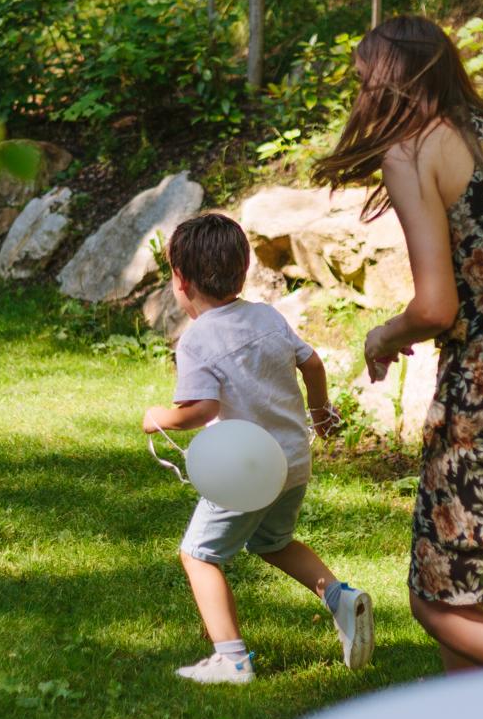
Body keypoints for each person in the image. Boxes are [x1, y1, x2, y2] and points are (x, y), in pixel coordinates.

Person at [312, 15, 483, 673]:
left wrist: (383, 336)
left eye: (363, 81)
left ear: (394, 81)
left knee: (436, 604)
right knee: (456, 588)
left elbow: (436, 306)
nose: (359, 96)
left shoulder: (413, 150)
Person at [142, 212, 374, 684]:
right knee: (273, 542)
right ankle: (341, 598)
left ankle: (232, 660)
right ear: (243, 270)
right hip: (293, 460)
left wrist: (158, 418)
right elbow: (312, 364)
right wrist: (321, 414)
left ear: (181, 280)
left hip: (247, 472)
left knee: (199, 555)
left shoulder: (197, 339)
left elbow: (202, 409)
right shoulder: (267, 316)